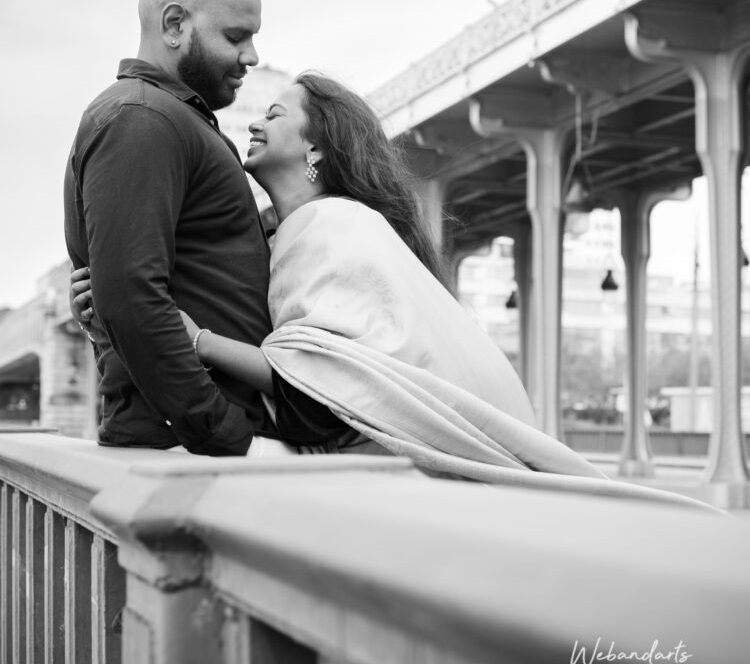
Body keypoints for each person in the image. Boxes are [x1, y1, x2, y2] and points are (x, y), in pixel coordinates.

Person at [71, 69, 603, 482]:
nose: (255, 123)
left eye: (275, 115)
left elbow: (322, 388)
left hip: (388, 472)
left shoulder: (333, 225)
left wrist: (198, 340)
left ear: (315, 149)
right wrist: (110, 321)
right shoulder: (287, 235)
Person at [64, 0, 345, 456]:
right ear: (175, 25)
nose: (252, 57)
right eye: (235, 37)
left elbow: (139, 292)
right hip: (195, 458)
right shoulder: (144, 120)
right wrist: (228, 437)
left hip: (200, 451)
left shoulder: (164, 119)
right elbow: (132, 297)